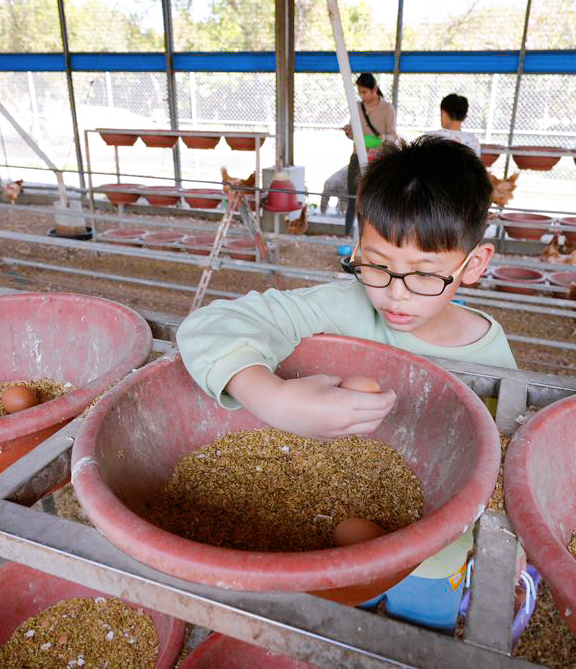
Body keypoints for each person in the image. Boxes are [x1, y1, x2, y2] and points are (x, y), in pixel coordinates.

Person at [176, 137, 518, 631]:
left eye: (425, 275)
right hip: (323, 534)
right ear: (357, 248)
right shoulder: (345, 304)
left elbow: (501, 459)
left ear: (474, 265)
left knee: (420, 640)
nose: (395, 294)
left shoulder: (491, 356)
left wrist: (513, 545)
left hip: (437, 554)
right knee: (328, 628)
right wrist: (269, 396)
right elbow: (208, 324)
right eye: (377, 265)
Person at [343, 72, 397, 236]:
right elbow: (353, 131)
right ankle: (348, 236)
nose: (362, 96)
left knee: (375, 199)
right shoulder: (357, 108)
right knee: (353, 197)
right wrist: (349, 132)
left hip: (378, 160)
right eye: (360, 92)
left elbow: (393, 136)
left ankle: (377, 236)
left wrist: (379, 140)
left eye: (364, 92)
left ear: (374, 89)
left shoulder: (387, 108)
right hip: (358, 156)